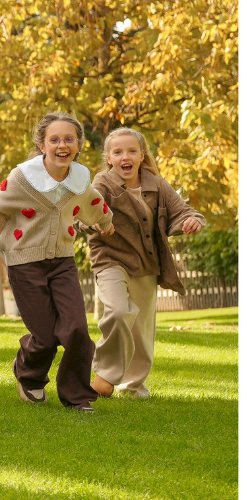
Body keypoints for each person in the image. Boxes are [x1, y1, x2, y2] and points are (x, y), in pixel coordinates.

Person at [0, 112, 114, 412]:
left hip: (63, 263)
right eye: (54, 139)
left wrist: (106, 222)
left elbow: (93, 204)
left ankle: (78, 397)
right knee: (44, 337)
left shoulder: (80, 180)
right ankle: (29, 374)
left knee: (77, 331)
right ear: (42, 144)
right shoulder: (22, 179)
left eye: (69, 139)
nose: (62, 145)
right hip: (25, 265)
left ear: (78, 144)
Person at [89, 128, 205, 398]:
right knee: (118, 311)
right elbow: (89, 207)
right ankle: (105, 375)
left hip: (146, 264)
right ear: (109, 158)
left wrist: (192, 221)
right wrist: (93, 221)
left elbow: (184, 211)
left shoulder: (157, 184)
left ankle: (132, 387)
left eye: (131, 151)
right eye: (118, 152)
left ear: (142, 156)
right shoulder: (103, 182)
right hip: (110, 259)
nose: (124, 157)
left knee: (141, 331)